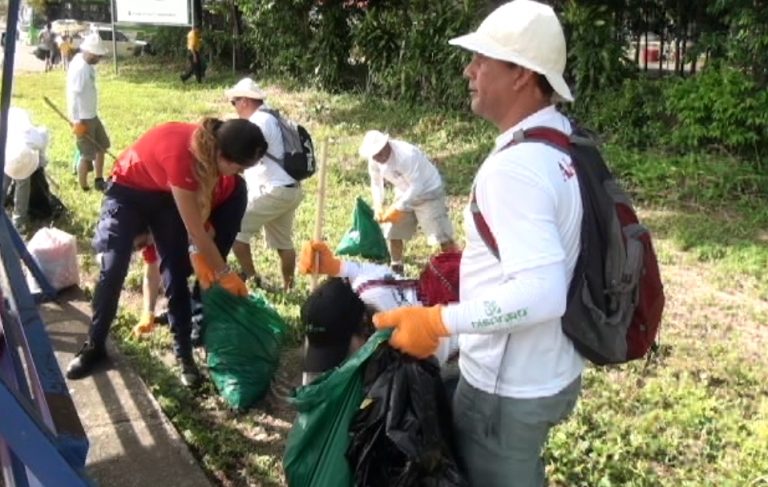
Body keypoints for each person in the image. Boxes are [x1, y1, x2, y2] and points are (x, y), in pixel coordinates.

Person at [367, 1, 585, 485]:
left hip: (509, 389)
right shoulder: (562, 143)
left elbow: (542, 291)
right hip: (548, 368)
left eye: (483, 59)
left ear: (522, 75)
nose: (470, 70)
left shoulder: (516, 168)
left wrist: (438, 321)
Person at [65, 118, 267, 387]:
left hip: (163, 197)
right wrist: (225, 273)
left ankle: (184, 355)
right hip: (127, 192)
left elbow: (199, 220)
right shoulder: (184, 158)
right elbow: (195, 232)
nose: (237, 173)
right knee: (113, 269)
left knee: (175, 273)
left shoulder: (208, 153)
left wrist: (205, 257)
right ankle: (94, 345)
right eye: (239, 167)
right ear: (223, 156)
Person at [297, 240, 460, 385]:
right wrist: (338, 267)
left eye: (342, 350)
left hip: (461, 350)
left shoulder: (399, 345)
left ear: (363, 326)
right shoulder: (365, 287)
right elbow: (363, 272)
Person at [226, 78, 303, 291]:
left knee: (235, 232)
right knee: (284, 243)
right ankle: (289, 287)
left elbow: (247, 155)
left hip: (274, 190)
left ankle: (253, 280)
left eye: (234, 102)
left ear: (245, 101)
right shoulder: (273, 116)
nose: (235, 108)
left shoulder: (259, 121)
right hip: (290, 189)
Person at [359, 130, 457, 275]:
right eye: (375, 155)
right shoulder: (374, 160)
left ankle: (455, 264)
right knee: (393, 232)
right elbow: (376, 182)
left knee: (441, 236)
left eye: (381, 152)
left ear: (387, 144)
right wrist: (378, 204)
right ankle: (396, 267)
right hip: (403, 191)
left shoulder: (406, 155)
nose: (379, 157)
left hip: (428, 193)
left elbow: (417, 186)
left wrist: (397, 207)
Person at [67, 33, 110, 192]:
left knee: (102, 146)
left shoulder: (83, 61)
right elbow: (73, 95)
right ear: (90, 53)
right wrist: (76, 120)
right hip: (83, 119)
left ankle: (99, 180)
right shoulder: (80, 69)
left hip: (92, 115)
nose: (99, 59)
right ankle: (84, 186)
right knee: (86, 155)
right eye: (98, 56)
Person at [3, 107, 49, 233]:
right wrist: (41, 163)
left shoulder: (9, 126)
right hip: (19, 158)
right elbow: (42, 152)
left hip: (11, 157)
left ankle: (14, 217)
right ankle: (18, 222)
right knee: (22, 189)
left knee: (4, 182)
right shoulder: (36, 134)